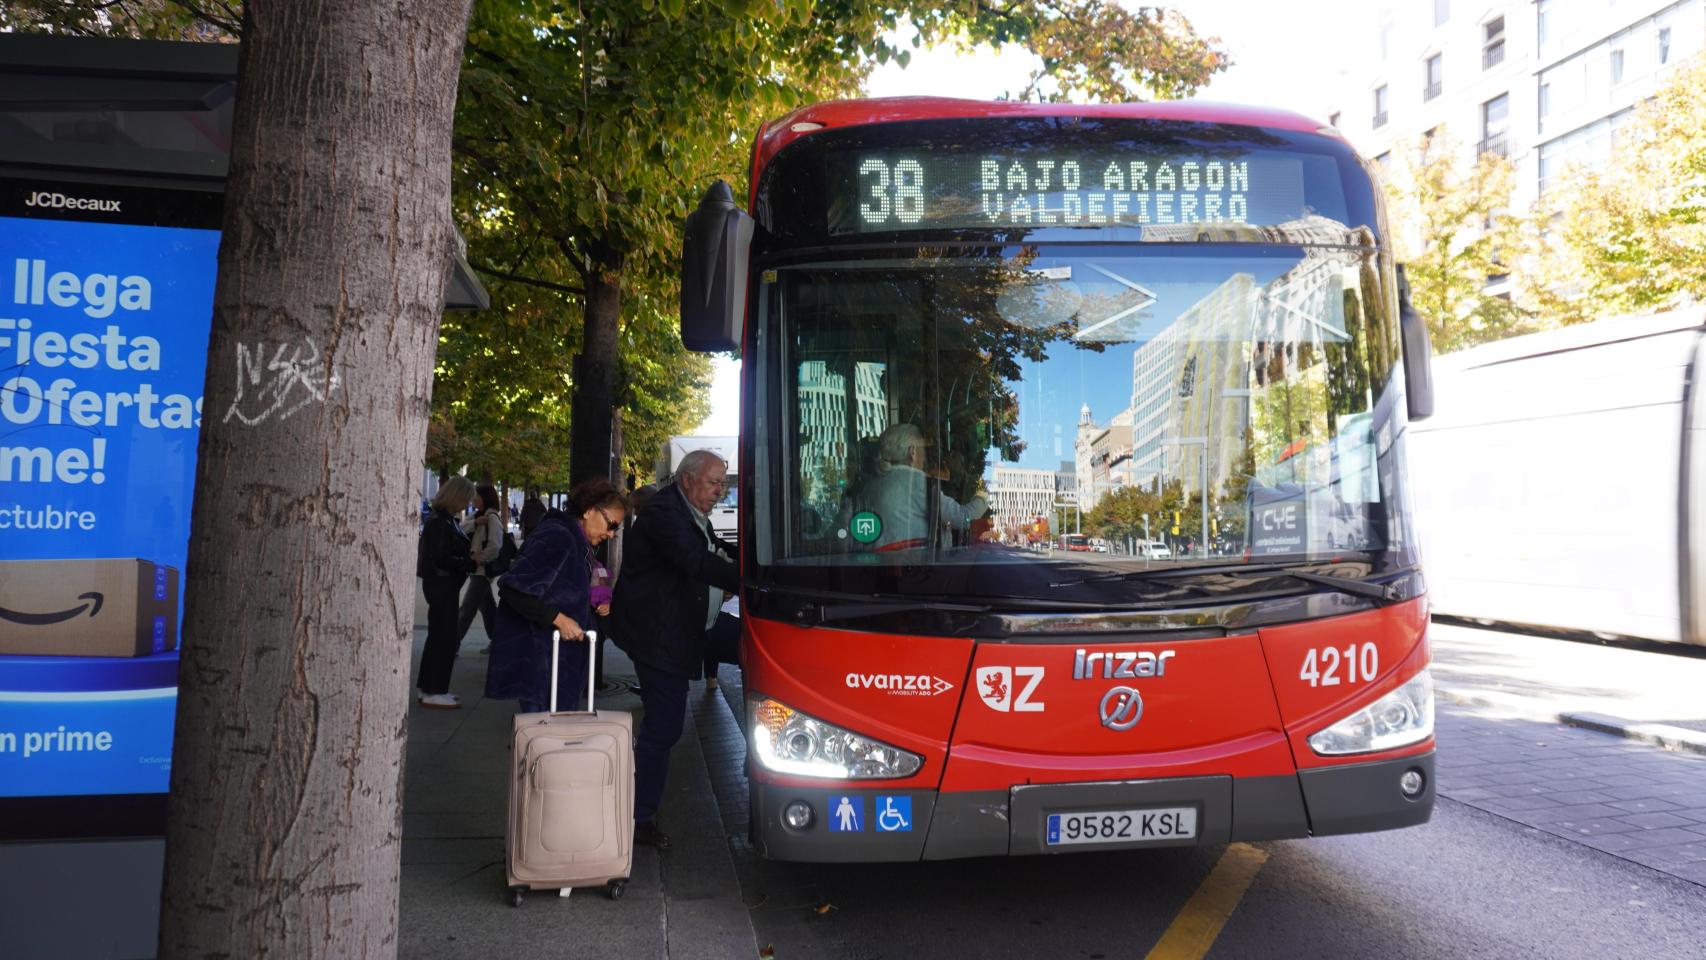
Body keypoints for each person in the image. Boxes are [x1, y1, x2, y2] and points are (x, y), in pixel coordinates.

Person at [611, 451, 740, 850]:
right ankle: (636, 817)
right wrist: (753, 576)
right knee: (664, 726)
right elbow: (696, 560)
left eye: (723, 483)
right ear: (687, 479)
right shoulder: (664, 514)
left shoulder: (688, 510)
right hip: (660, 636)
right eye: (714, 482)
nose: (721, 491)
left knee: (750, 647)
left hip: (691, 625)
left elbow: (715, 548)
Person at [486, 480, 627, 714]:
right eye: (611, 524)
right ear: (589, 510)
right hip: (542, 667)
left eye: (616, 529)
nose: (611, 534)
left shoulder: (578, 541)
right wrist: (560, 619)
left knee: (551, 740)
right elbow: (513, 589)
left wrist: (598, 596)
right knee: (545, 739)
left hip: (556, 666)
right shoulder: (558, 535)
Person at [852, 423, 988, 550]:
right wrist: (983, 495)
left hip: (876, 570)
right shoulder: (916, 483)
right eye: (923, 449)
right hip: (912, 569)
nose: (925, 458)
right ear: (913, 452)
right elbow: (964, 518)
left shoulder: (868, 486)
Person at [416, 476, 477, 709]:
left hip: (441, 584)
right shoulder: (441, 523)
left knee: (439, 636)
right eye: (465, 500)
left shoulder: (441, 520)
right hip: (443, 584)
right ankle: (435, 689)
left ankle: (429, 687)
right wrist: (468, 562)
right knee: (444, 637)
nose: (466, 505)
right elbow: (442, 558)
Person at [456, 483, 504, 644]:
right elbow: (460, 528)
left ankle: (452, 644)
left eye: (477, 496)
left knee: (467, 610)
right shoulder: (478, 516)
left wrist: (480, 559)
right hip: (477, 569)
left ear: (485, 498)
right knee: (487, 608)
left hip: (481, 570)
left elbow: (495, 545)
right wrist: (476, 522)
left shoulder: (492, 518)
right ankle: (499, 642)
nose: (474, 499)